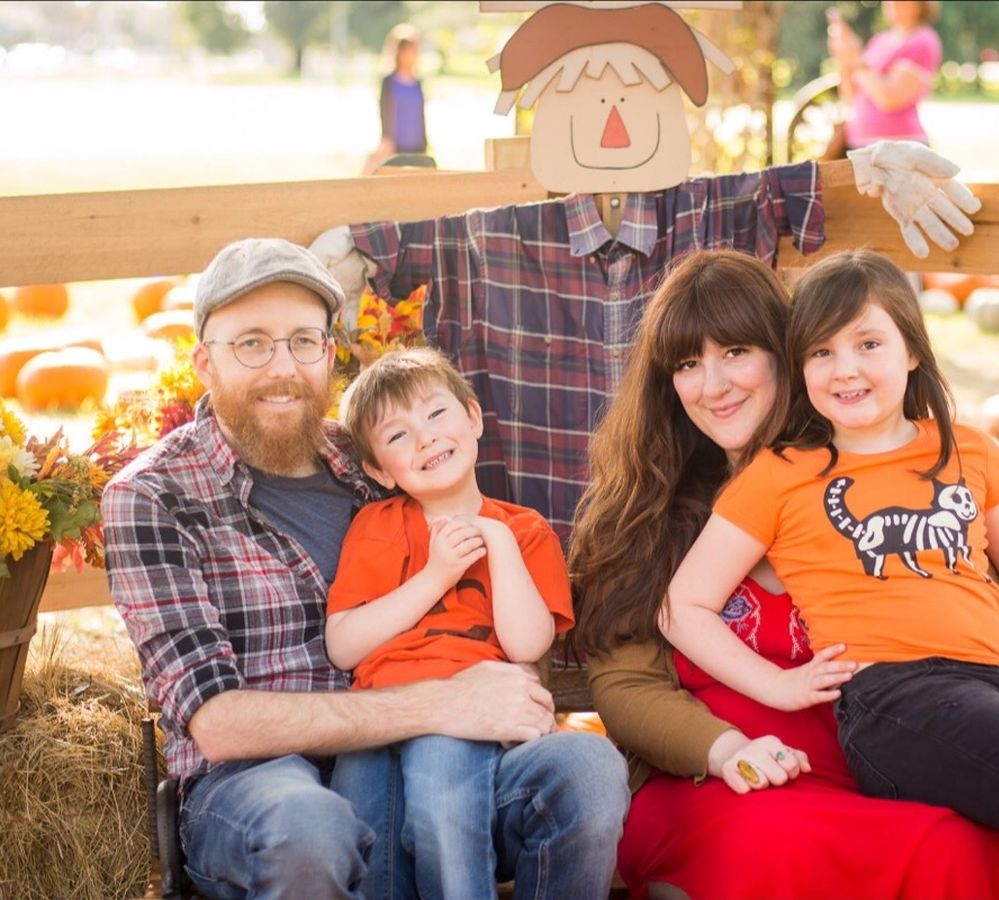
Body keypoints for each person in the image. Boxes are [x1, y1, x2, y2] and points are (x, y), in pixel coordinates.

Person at [570, 249, 999, 900]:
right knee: (775, 844)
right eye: (688, 364)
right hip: (724, 774)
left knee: (958, 845)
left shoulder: (876, 478)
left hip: (887, 765)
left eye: (737, 352)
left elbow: (964, 630)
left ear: (790, 353)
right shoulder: (643, 515)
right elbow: (627, 685)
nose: (712, 384)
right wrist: (723, 747)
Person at [102, 237, 627, 898]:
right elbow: (219, 724)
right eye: (252, 344)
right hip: (257, 782)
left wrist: (504, 686)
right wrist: (444, 701)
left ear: (330, 353)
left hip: (442, 756)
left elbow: (505, 633)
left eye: (303, 341)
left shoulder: (372, 454)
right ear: (204, 362)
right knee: (310, 825)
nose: (283, 367)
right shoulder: (153, 495)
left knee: (584, 768)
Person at [326, 346, 624, 900]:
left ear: (473, 418)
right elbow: (344, 646)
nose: (425, 438)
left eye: (437, 413)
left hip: (478, 727)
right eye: (398, 435)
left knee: (464, 771)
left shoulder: (523, 530)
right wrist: (435, 576)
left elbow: (528, 645)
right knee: (368, 848)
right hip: (381, 726)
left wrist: (498, 540)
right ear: (378, 471)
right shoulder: (377, 525)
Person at [826, 1, 942, 153]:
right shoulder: (879, 41)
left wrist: (855, 58)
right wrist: (844, 56)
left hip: (899, 147)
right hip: (859, 144)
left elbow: (889, 98)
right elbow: (851, 96)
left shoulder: (922, 41)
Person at [363, 23, 428, 175]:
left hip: (416, 148)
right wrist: (387, 138)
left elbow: (420, 115)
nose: (410, 55)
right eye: (406, 50)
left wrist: (425, 144)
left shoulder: (418, 83)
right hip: (395, 148)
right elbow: (385, 112)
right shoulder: (389, 82)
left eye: (413, 50)